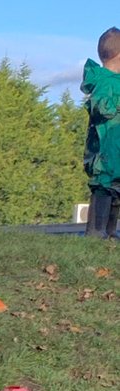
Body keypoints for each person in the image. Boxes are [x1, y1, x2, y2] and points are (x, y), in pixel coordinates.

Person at [82, 27, 120, 239]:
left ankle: (110, 232)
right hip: (106, 151)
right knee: (104, 187)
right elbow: (101, 108)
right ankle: (96, 232)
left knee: (115, 188)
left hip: (115, 149)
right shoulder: (105, 82)